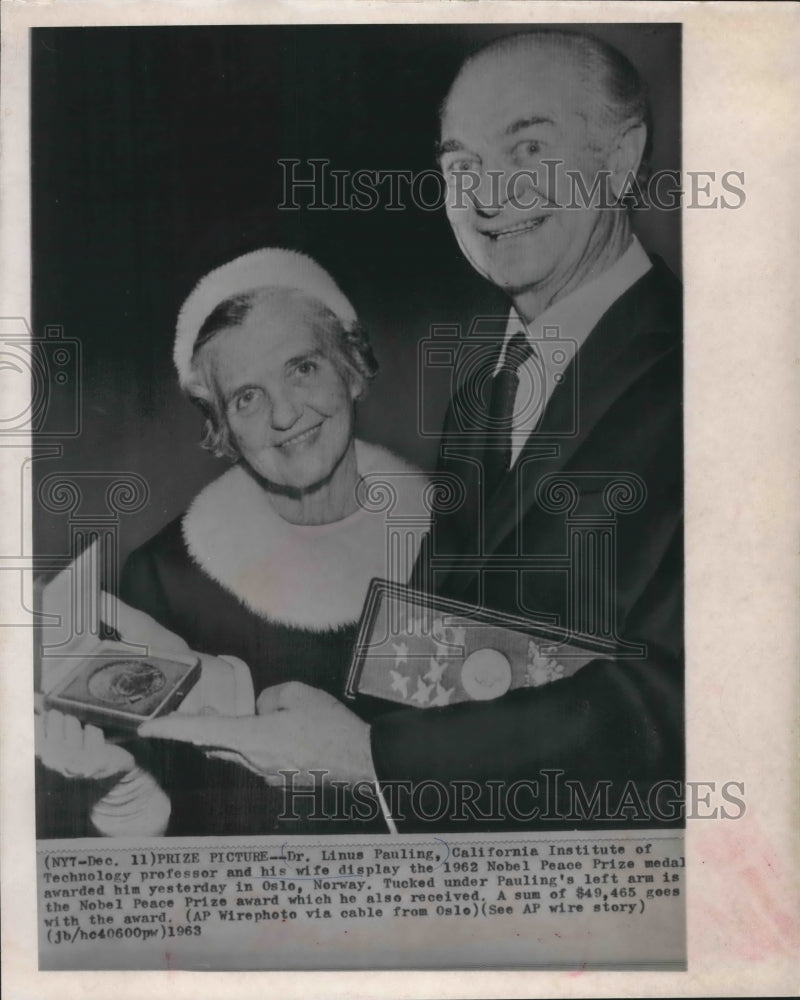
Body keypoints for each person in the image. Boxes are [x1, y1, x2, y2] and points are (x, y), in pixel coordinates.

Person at [145, 30, 684, 832]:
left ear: (621, 157)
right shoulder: (482, 391)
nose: (488, 195)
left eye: (527, 148)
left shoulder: (709, 373)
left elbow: (685, 707)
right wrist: (313, 715)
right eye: (460, 166)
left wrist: (366, 759)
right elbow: (448, 646)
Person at [36, 248, 429, 836]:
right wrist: (128, 797)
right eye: (246, 396)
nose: (285, 414)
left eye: (302, 368)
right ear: (221, 427)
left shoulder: (461, 534)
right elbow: (181, 835)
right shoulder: (165, 580)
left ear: (350, 366)